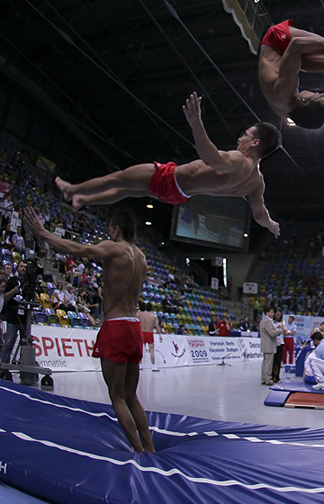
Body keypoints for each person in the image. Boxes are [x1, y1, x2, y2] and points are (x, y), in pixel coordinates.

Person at [54, 93, 282, 238]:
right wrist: (271, 224)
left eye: (246, 135)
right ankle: (83, 200)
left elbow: (213, 159)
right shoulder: (256, 182)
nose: (240, 138)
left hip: (169, 178)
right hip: (179, 195)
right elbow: (259, 214)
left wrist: (196, 125)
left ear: (255, 142)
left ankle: (72, 190)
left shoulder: (239, 159)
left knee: (118, 178)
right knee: (125, 191)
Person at [23, 207, 155, 453]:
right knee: (131, 395)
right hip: (134, 326)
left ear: (116, 229)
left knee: (116, 396)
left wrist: (42, 232)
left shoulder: (114, 248)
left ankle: (139, 451)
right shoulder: (141, 257)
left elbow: (76, 249)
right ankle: (150, 448)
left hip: (116, 326)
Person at [0, 261, 28, 365]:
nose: (23, 269)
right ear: (17, 268)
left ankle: (23, 366)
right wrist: (13, 291)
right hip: (13, 317)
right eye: (21, 266)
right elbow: (5, 297)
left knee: (25, 344)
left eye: (25, 267)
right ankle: (3, 367)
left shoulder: (28, 282)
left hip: (25, 318)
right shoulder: (11, 281)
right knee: (8, 343)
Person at [259, 307, 282, 386]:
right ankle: (268, 379)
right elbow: (272, 333)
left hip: (266, 345)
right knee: (268, 363)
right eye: (272, 312)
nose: (273, 314)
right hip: (269, 346)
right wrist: (279, 331)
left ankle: (263, 378)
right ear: (267, 312)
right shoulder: (267, 322)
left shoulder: (264, 321)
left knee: (265, 363)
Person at [272, 310, 285, 383]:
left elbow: (285, 331)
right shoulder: (272, 323)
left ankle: (277, 376)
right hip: (274, 343)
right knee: (274, 361)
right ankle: (273, 375)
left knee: (279, 361)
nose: (278, 316)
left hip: (281, 342)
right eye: (277, 315)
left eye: (279, 315)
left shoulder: (282, 323)